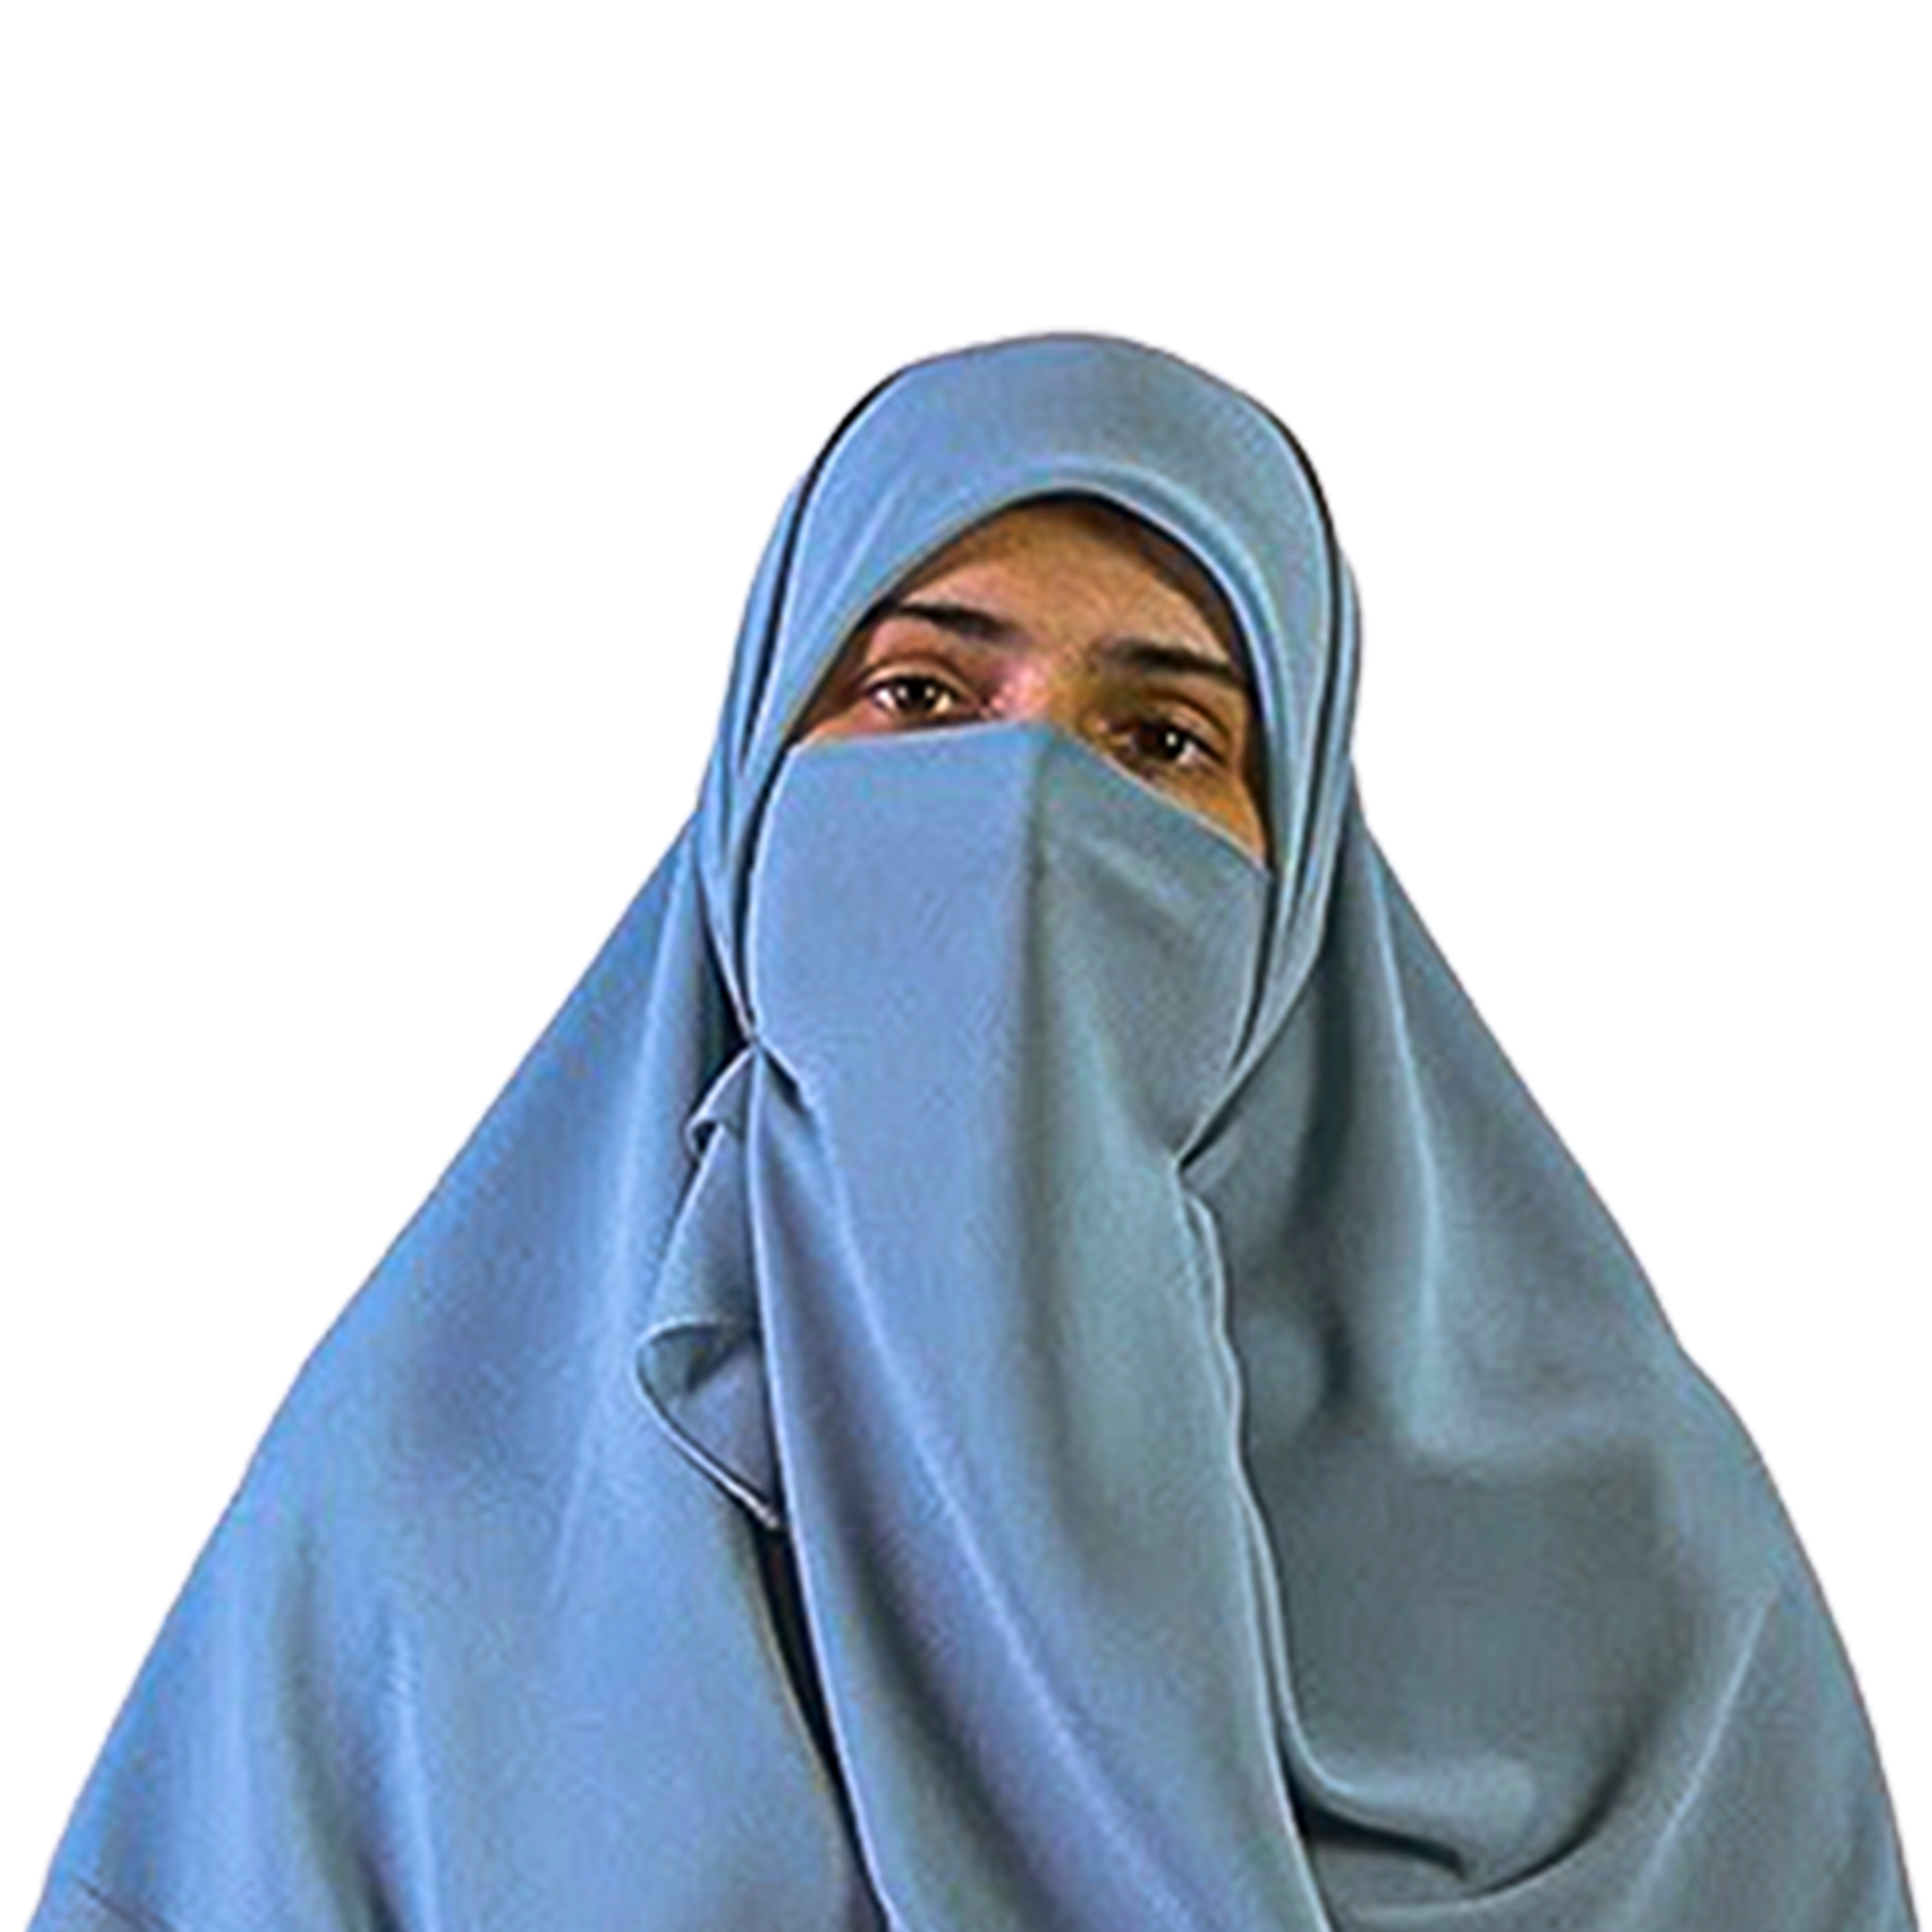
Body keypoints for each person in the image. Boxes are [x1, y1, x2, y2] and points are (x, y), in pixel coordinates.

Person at [30, 335, 1917, 1929]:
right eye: (922, 695)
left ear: (1300, 900)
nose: (1020, 813)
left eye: (1161, 741)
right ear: (753, 800)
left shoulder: (1647, 1596)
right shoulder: (413, 1552)